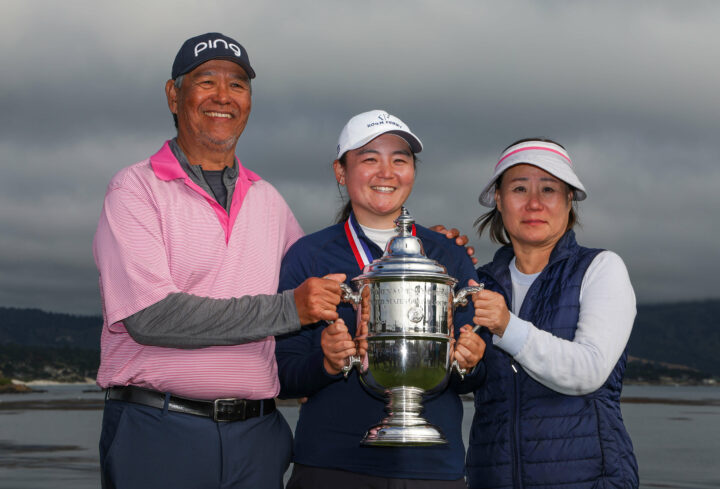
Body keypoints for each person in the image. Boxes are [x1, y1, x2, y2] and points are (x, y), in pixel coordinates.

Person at [92, 32, 345, 489]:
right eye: (206, 81)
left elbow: (327, 283)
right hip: (158, 432)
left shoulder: (269, 200)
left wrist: (425, 245)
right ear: (174, 95)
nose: (223, 97)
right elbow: (151, 317)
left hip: (258, 438)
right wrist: (289, 309)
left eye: (238, 85)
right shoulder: (133, 190)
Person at [275, 110, 487, 489]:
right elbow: (281, 373)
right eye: (369, 158)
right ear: (341, 172)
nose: (386, 172)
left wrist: (471, 362)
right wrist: (324, 362)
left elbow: (481, 373)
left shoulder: (447, 255)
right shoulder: (308, 256)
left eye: (399, 160)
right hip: (331, 466)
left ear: (413, 173)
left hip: (431, 467)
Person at [466, 138, 639, 488]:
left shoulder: (601, 268)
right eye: (519, 188)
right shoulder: (478, 283)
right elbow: (461, 381)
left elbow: (589, 371)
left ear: (568, 200)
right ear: (499, 200)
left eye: (548, 189)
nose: (534, 203)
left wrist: (507, 325)